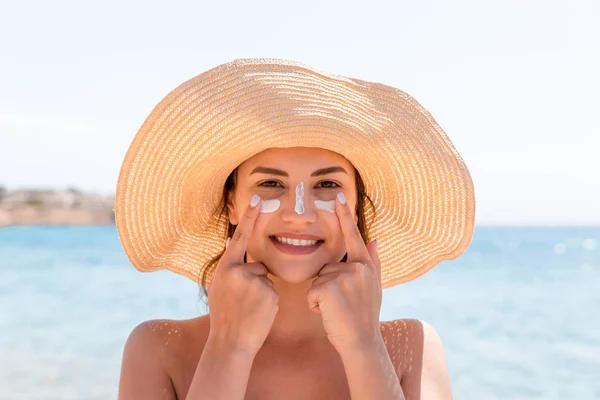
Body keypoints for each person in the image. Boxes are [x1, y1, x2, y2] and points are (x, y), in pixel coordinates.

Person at [115, 58, 475, 400]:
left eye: (328, 185)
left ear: (358, 206)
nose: (299, 214)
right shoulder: (158, 350)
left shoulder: (412, 347)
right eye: (271, 184)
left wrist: (363, 346)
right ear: (231, 204)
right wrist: (229, 347)